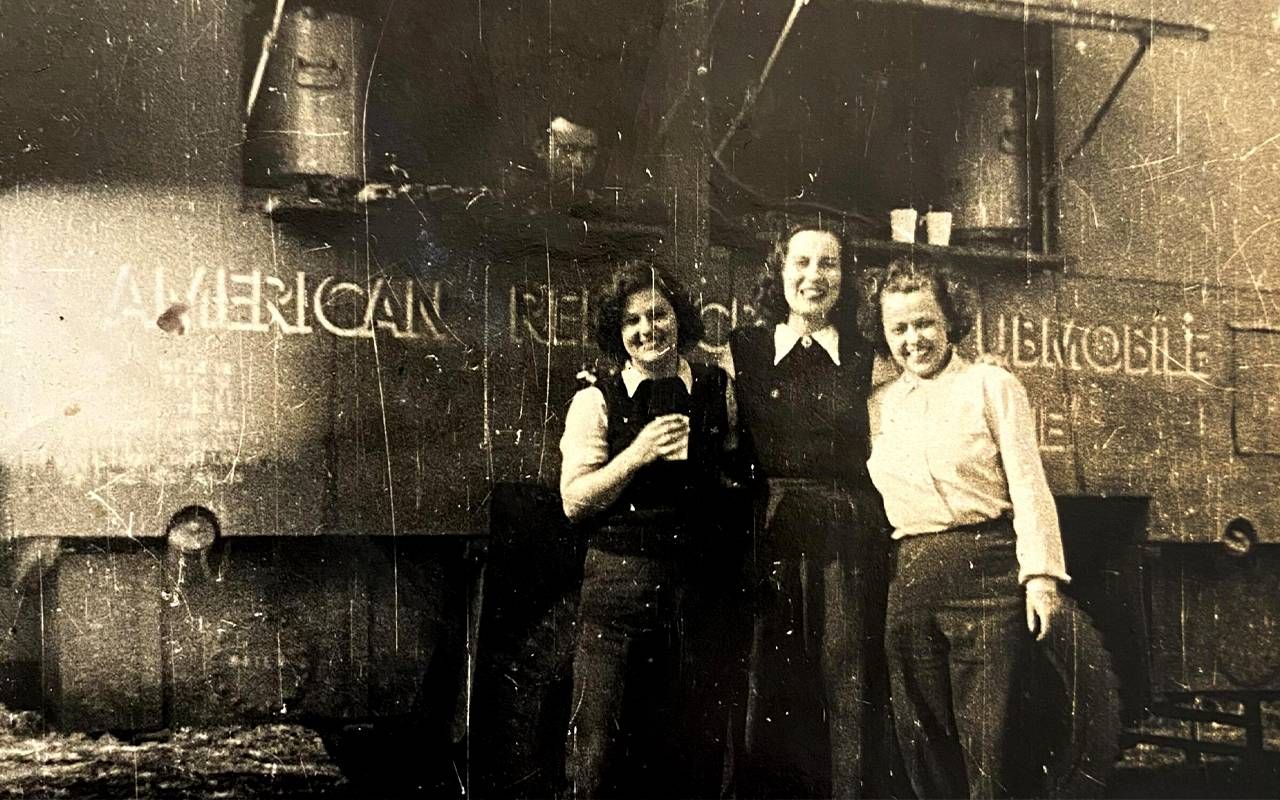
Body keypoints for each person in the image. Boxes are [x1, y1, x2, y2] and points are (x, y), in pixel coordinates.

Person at [862, 259, 1070, 799]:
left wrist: (1041, 578)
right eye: (899, 328)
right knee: (923, 735)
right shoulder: (879, 405)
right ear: (884, 335)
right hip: (910, 577)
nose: (914, 339)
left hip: (987, 574)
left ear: (950, 320)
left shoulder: (991, 384)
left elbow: (1028, 482)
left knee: (992, 737)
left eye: (924, 323)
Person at [559, 262, 736, 798]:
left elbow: (734, 471)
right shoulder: (596, 400)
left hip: (698, 589)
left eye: (658, 315)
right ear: (618, 334)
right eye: (632, 322)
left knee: (692, 743)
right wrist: (636, 456)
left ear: (679, 318)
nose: (647, 330)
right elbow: (574, 501)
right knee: (599, 748)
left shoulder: (716, 388)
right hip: (620, 590)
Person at [727, 224, 890, 799]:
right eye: (801, 262)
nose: (813, 277)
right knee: (767, 679)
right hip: (767, 531)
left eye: (828, 265)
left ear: (846, 281)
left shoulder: (869, 359)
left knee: (845, 679)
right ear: (780, 271)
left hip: (845, 535)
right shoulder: (742, 349)